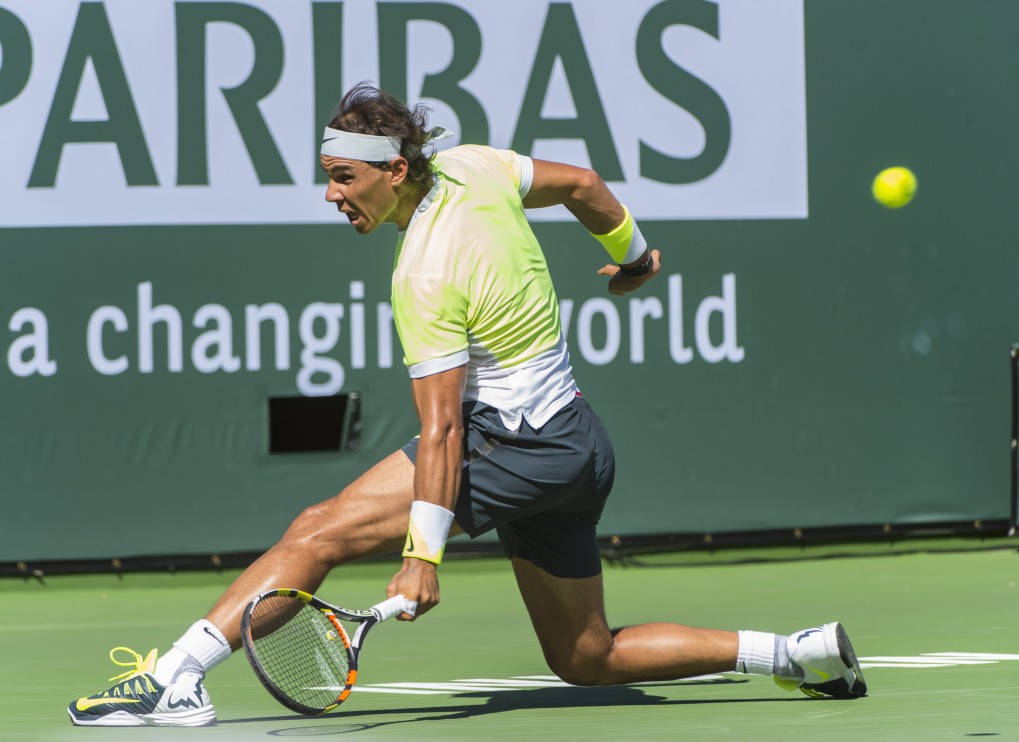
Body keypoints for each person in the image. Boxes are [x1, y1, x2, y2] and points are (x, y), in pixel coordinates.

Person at [67, 84, 867, 727]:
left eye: (345, 177)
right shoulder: (476, 165)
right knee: (585, 658)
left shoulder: (421, 274)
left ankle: (175, 680)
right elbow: (585, 186)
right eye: (329, 175)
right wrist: (631, 258)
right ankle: (797, 654)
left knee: (317, 530)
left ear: (395, 170)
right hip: (578, 446)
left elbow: (443, 428)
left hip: (510, 442)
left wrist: (423, 557)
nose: (330, 193)